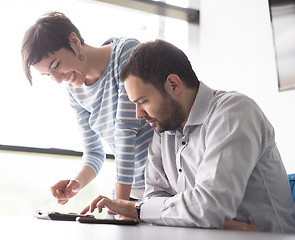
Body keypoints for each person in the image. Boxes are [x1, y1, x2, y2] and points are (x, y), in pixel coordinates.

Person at [82, 39, 295, 233]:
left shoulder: (234, 112)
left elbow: (209, 206)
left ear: (173, 84)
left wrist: (135, 208)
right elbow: (155, 197)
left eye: (143, 101)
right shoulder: (164, 130)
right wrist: (215, 221)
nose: (139, 114)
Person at [21, 12, 154, 216]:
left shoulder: (126, 53)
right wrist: (77, 183)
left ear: (74, 41)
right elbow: (94, 152)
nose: (57, 79)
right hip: (131, 187)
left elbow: (126, 133)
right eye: (48, 75)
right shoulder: (75, 91)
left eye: (56, 65)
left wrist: (121, 205)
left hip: (162, 184)